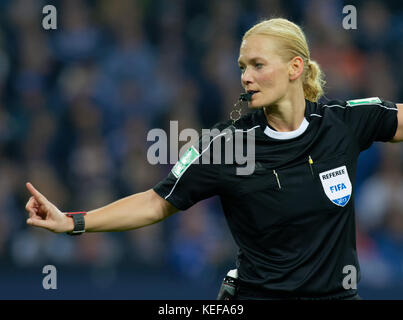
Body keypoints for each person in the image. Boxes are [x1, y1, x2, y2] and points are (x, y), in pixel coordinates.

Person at [24, 18, 403, 300]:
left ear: (295, 67)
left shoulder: (344, 121)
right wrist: (73, 221)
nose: (245, 77)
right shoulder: (226, 144)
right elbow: (157, 203)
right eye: (242, 67)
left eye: (257, 65)